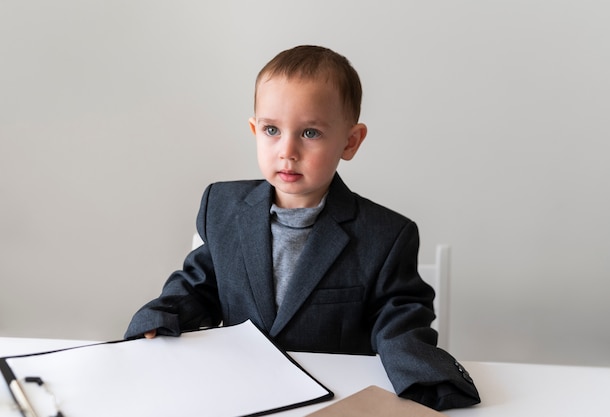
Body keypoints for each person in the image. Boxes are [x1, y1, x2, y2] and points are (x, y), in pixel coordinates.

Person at [125, 45, 480, 411]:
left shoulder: (386, 235)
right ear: (254, 129)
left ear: (350, 141)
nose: (287, 150)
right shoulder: (223, 206)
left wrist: (425, 376)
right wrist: (162, 315)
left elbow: (400, 320)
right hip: (238, 389)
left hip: (331, 399)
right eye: (272, 130)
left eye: (310, 133)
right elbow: (201, 283)